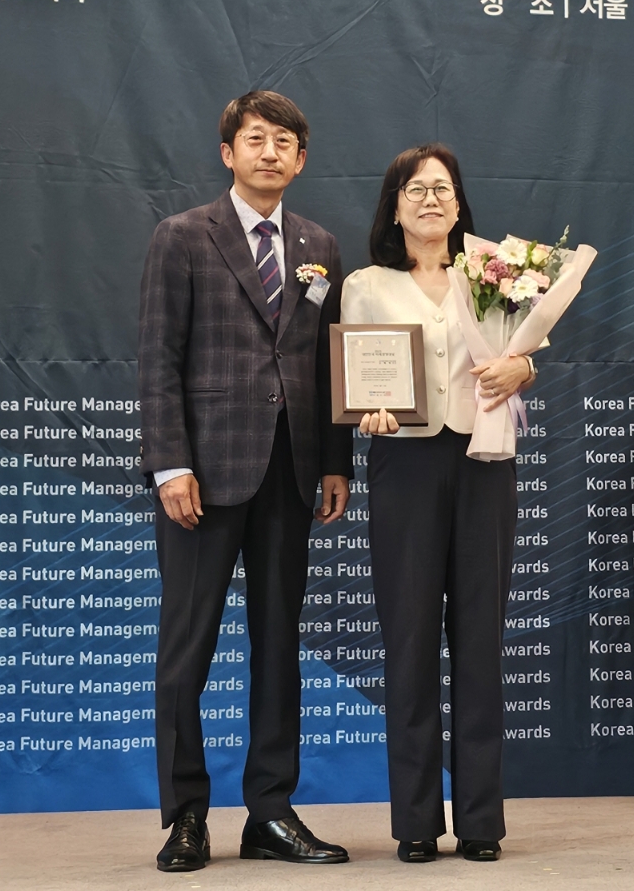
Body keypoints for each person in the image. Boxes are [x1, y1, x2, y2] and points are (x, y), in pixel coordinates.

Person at [138, 90, 353, 872]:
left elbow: (328, 361)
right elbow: (158, 357)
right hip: (202, 476)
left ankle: (270, 811)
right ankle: (186, 816)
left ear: (301, 159)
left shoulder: (320, 246)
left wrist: (335, 460)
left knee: (279, 648)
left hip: (290, 474)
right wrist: (171, 463)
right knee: (186, 649)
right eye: (255, 139)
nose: (270, 152)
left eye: (283, 142)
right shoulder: (182, 236)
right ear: (228, 153)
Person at [340, 144, 535, 864]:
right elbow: (356, 373)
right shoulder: (365, 284)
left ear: (459, 205)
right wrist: (366, 410)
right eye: (415, 189)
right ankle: (416, 822)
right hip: (406, 463)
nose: (430, 199)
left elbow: (521, 352)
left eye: (442, 188)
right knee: (411, 641)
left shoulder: (495, 274)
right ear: (394, 207)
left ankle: (481, 821)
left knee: (480, 641)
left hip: (485, 461)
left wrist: (524, 365)